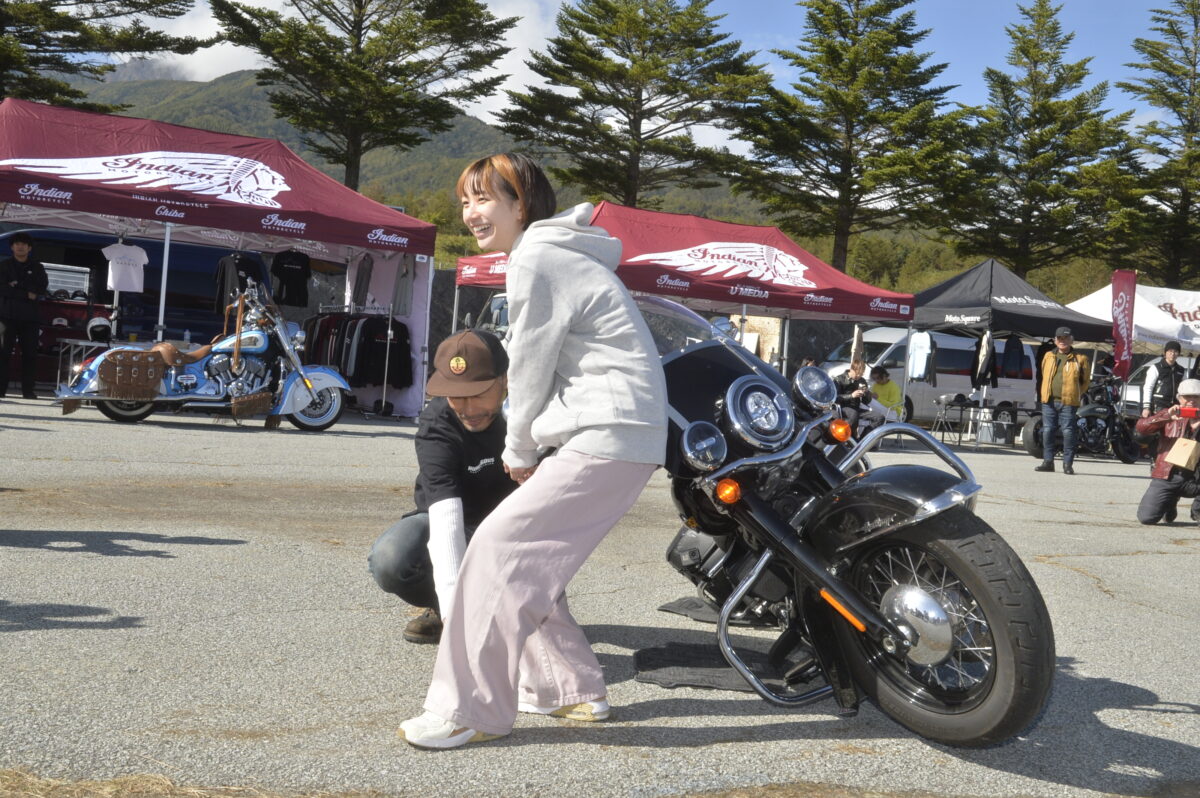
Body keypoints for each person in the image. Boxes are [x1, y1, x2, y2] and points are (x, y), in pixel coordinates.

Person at [398, 153, 668, 750]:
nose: (470, 213)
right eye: (465, 200)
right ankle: (569, 690)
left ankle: (469, 710)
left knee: (496, 549)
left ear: (521, 203)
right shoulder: (559, 252)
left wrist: (518, 446)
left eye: (484, 198)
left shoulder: (537, 257)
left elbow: (531, 363)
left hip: (609, 428)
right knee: (528, 557)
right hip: (622, 430)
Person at [367, 329, 513, 645]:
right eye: (456, 395)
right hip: (451, 518)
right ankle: (445, 609)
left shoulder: (528, 416)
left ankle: (523, 610)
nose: (467, 409)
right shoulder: (437, 424)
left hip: (511, 529)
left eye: (478, 393)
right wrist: (454, 619)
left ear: (505, 380)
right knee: (390, 558)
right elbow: (446, 518)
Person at [1134, 378, 1200, 524]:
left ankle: (1197, 509)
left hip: (1196, 476)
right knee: (1147, 518)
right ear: (1179, 398)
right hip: (1168, 474)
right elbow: (1141, 428)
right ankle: (1170, 500)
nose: (1191, 400)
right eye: (1187, 396)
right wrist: (1165, 417)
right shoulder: (1169, 414)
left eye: (1196, 397)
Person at [1035, 326, 1090, 475]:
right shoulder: (1048, 356)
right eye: (1060, 338)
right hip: (1049, 400)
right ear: (1055, 340)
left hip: (1068, 401)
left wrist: (1075, 394)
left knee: (1068, 432)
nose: (1062, 341)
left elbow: (1085, 382)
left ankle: (1067, 464)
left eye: (1066, 338)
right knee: (1047, 430)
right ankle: (1048, 462)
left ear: (1072, 340)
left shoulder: (1081, 358)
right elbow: (1043, 374)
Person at [0, 232, 49, 399]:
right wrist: (25, 291)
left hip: (30, 319)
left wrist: (15, 286)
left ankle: (28, 391)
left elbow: (41, 289)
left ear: (29, 248)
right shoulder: (4, 266)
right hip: (6, 317)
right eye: (16, 244)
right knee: (3, 354)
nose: (20, 247)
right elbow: (2, 288)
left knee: (30, 355)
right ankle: (1, 389)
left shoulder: (38, 267)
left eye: (23, 244)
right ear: (12, 247)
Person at [1141, 340, 1188, 472]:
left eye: (1175, 352)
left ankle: (1169, 462)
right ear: (1165, 353)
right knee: (1157, 435)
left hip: (1175, 406)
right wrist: (1146, 407)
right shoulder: (1156, 368)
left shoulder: (1181, 370)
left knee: (1174, 434)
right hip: (1158, 405)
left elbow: (1183, 390)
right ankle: (1154, 460)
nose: (1172, 354)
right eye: (1170, 351)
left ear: (1178, 354)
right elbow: (1148, 387)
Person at [834, 359, 872, 435]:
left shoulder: (862, 380)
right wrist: (851, 396)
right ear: (851, 369)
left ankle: (864, 440)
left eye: (861, 374)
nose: (859, 376)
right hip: (843, 407)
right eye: (857, 374)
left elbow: (866, 402)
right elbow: (835, 398)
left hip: (857, 407)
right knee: (854, 414)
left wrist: (866, 393)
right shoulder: (839, 379)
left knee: (879, 417)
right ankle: (848, 438)